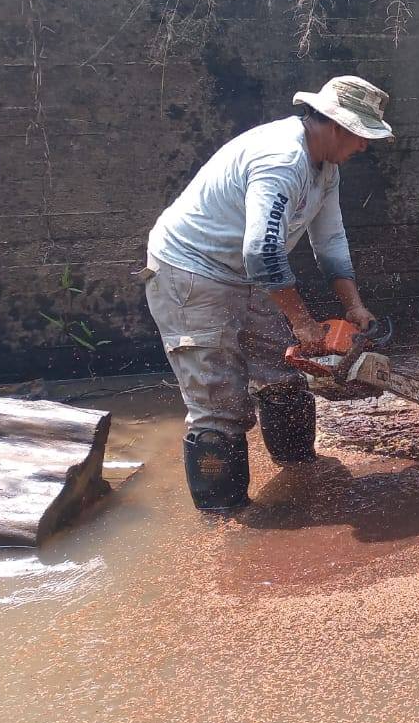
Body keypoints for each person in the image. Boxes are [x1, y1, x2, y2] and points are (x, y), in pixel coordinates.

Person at [141, 75, 393, 511]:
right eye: (361, 136)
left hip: (248, 274)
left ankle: (301, 473)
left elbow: (329, 241)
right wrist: (301, 320)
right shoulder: (281, 160)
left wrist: (353, 304)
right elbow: (262, 251)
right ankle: (223, 520)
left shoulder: (326, 169)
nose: (364, 147)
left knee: (284, 376)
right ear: (335, 125)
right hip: (190, 273)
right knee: (218, 403)